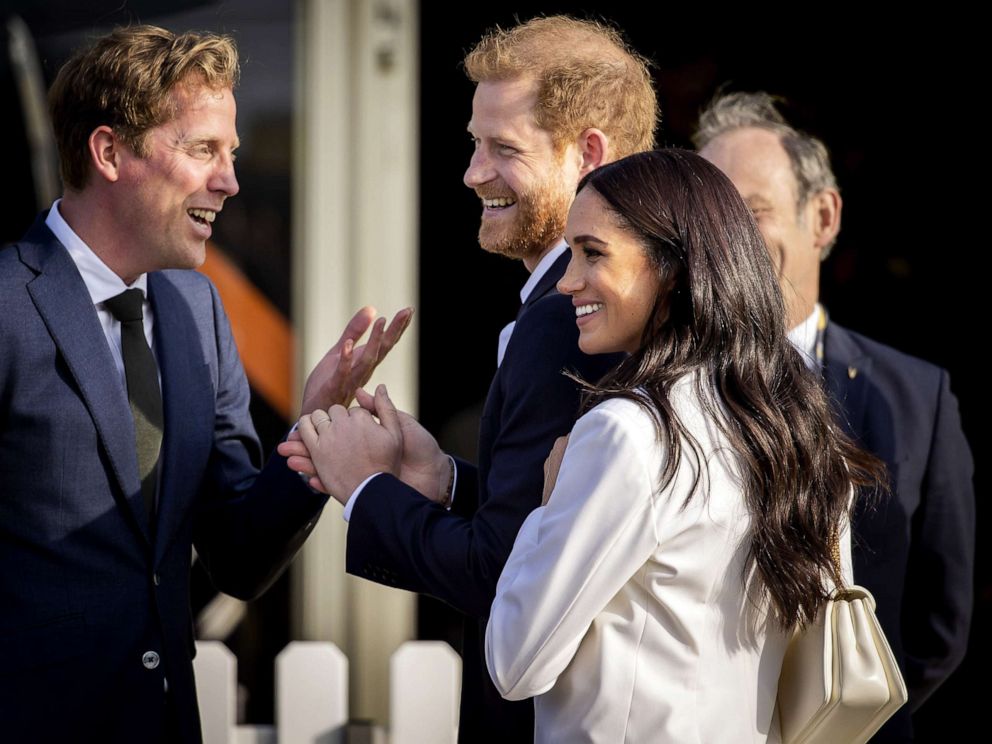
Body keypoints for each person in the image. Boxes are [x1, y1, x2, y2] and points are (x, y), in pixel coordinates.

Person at [0, 25, 409, 743]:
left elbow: (240, 557)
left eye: (233, 154)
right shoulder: (6, 302)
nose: (231, 180)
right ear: (110, 152)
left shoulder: (196, 310)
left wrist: (312, 426)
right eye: (202, 150)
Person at [279, 15, 657, 741]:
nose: (473, 172)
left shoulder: (565, 321)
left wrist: (366, 488)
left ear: (589, 153)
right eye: (474, 143)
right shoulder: (625, 308)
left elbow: (504, 573)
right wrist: (447, 481)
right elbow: (572, 522)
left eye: (502, 148)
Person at [475, 149, 881, 742]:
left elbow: (514, 662)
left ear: (671, 267)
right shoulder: (796, 429)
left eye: (592, 252)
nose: (566, 281)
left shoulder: (625, 434)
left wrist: (546, 507)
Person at [695, 91, 975, 741]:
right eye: (710, 219)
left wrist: (843, 719)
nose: (727, 240)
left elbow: (939, 626)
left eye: (753, 211)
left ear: (821, 217)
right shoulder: (656, 391)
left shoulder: (917, 398)